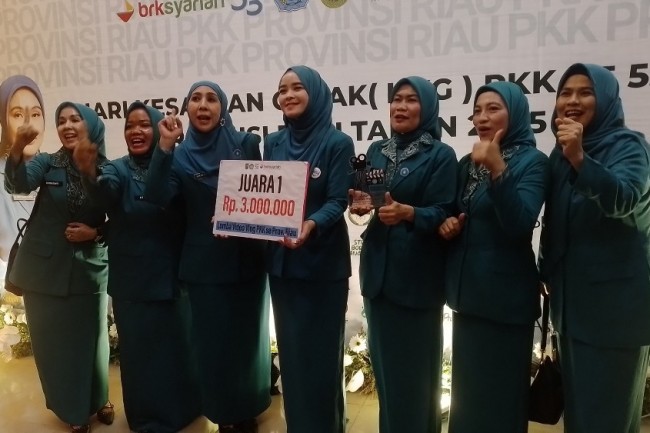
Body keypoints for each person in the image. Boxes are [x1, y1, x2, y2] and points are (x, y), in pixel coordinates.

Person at [146, 81, 270, 433]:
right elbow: (156, 195)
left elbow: (263, 195)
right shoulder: (179, 155)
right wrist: (164, 147)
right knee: (214, 346)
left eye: (211, 99)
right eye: (195, 99)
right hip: (205, 267)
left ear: (223, 109)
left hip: (247, 260)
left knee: (248, 341)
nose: (203, 105)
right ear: (186, 108)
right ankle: (224, 412)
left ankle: (249, 406)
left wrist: (240, 217)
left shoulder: (246, 144)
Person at [73, 101, 201, 433]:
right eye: (130, 125)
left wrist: (165, 150)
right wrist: (89, 173)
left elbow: (165, 195)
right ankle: (147, 419)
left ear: (157, 127)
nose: (136, 131)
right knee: (140, 357)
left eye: (144, 124)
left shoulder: (175, 164)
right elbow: (105, 195)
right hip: (133, 283)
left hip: (173, 277)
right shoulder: (117, 169)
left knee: (177, 350)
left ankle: (184, 411)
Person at [540, 63, 650, 432]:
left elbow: (623, 200)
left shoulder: (629, 146)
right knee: (582, 417)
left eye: (585, 92)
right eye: (565, 93)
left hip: (616, 314)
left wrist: (580, 159)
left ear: (605, 99)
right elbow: (555, 219)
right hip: (573, 309)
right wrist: (546, 269)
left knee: (609, 418)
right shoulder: (561, 153)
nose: (572, 101)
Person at [439, 81, 548, 433]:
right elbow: (457, 212)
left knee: (500, 400)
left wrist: (498, 170)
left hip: (506, 302)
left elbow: (519, 224)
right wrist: (448, 225)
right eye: (477, 110)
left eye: (493, 109)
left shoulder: (534, 162)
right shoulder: (466, 163)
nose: (482, 118)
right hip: (467, 297)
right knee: (468, 400)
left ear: (515, 113)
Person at [350, 76, 457, 433]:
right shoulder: (377, 149)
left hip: (416, 279)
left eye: (411, 100)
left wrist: (409, 213)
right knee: (388, 377)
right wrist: (360, 206)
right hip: (377, 277)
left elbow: (445, 211)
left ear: (427, 108)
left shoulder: (440, 155)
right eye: (396, 99)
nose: (401, 106)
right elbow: (368, 202)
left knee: (416, 378)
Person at [4, 102, 113, 433]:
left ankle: (99, 399)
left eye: (75, 119)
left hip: (88, 269)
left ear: (90, 125)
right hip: (43, 273)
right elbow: (18, 184)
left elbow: (123, 214)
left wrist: (96, 232)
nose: (67, 126)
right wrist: (18, 149)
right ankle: (72, 411)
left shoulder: (108, 168)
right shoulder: (48, 162)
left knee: (93, 342)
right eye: (61, 121)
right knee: (53, 347)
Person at [264, 65, 354, 433]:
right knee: (293, 357)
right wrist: (235, 220)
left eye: (296, 87)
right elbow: (264, 197)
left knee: (321, 358)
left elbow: (337, 201)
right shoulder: (272, 142)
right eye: (282, 89)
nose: (288, 95)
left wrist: (311, 224)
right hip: (283, 266)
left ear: (315, 93)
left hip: (322, 266)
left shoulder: (337, 143)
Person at [0, 75, 45, 265]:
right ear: (3, 120)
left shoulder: (55, 170)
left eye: (35, 114)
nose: (29, 124)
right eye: (17, 114)